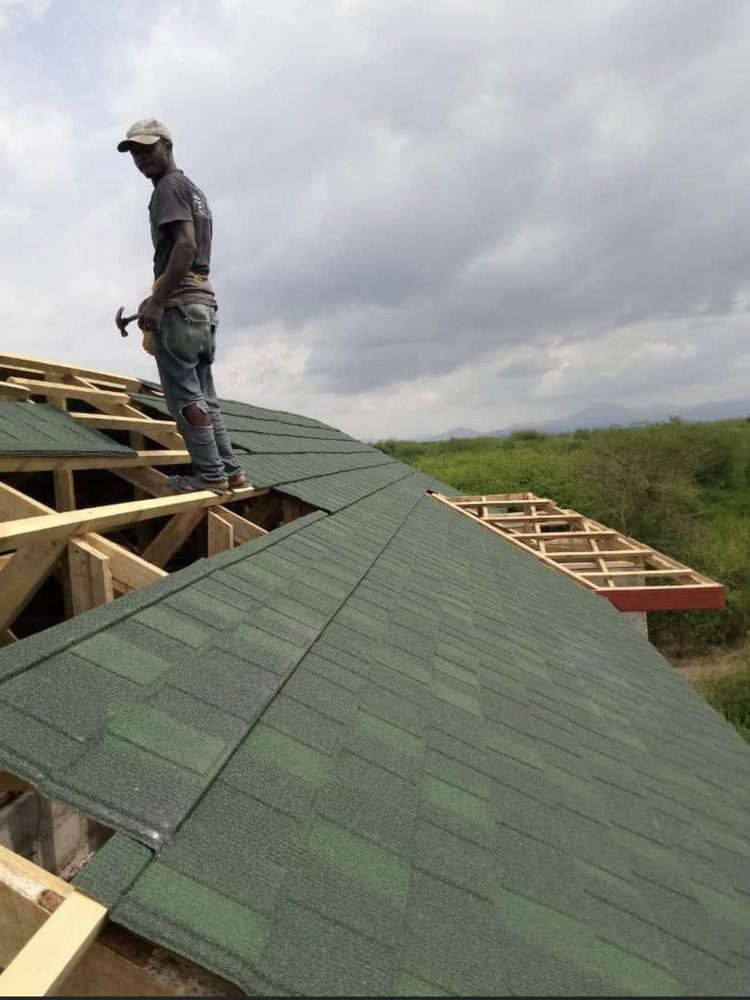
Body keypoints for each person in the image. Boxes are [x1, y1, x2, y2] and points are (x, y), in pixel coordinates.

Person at [117, 119, 246, 494]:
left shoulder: (168, 188)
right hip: (203, 307)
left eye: (148, 149)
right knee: (206, 397)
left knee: (185, 399)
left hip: (181, 309)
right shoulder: (193, 189)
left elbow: (185, 247)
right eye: (135, 153)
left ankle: (210, 475)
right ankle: (230, 471)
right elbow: (187, 254)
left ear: (168, 146)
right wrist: (154, 296)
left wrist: (158, 301)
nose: (141, 159)